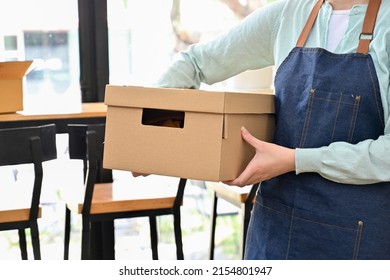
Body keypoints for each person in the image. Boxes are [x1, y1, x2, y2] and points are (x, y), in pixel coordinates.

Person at [154, 0, 390, 259]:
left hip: (357, 237)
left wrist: (295, 160)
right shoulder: (288, 14)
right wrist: (152, 135)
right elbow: (195, 62)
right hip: (275, 231)